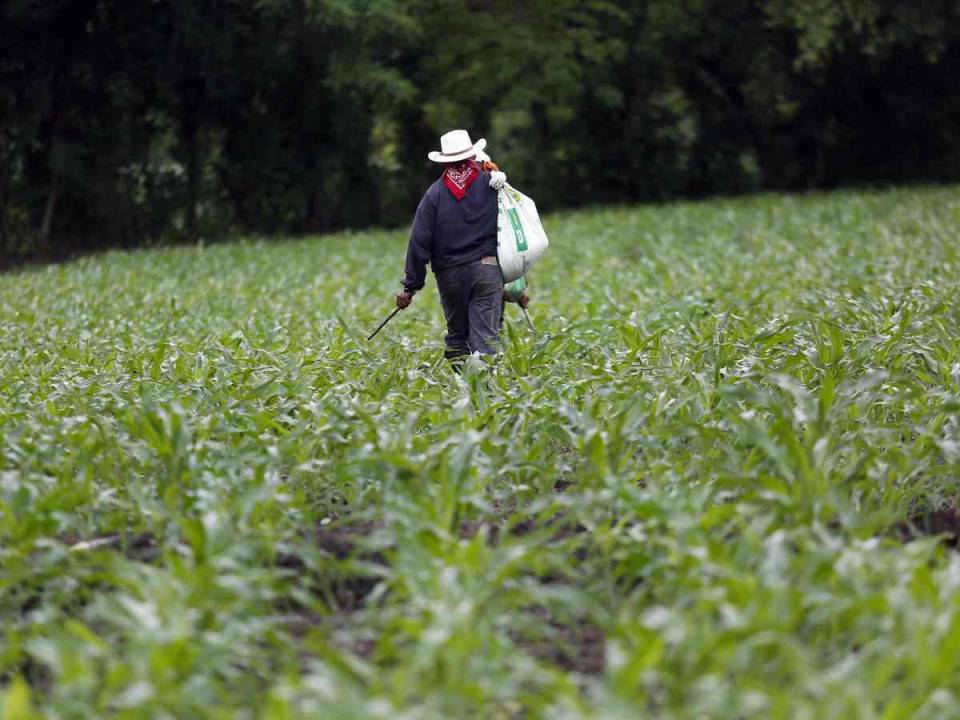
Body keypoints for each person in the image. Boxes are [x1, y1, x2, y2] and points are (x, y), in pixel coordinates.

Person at [396, 129, 528, 367]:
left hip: (450, 275)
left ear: (444, 161)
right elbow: (512, 229)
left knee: (458, 338)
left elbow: (419, 240)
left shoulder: (434, 193)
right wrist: (519, 282)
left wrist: (410, 286)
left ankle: (465, 391)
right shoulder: (494, 183)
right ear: (472, 155)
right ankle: (483, 394)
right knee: (486, 340)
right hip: (487, 269)